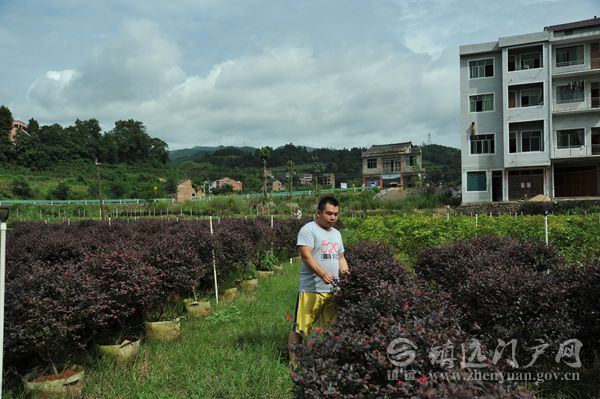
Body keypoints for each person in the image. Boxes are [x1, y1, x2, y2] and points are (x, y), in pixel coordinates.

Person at [288, 196, 349, 353]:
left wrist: (348, 277)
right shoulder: (308, 230)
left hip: (333, 291)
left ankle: (330, 357)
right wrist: (322, 274)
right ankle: (294, 361)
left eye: (336, 214)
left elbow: (341, 258)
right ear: (318, 213)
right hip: (311, 290)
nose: (333, 217)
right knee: (300, 328)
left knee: (334, 328)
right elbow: (306, 256)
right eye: (329, 213)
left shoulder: (337, 234)